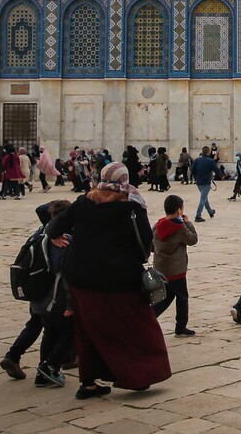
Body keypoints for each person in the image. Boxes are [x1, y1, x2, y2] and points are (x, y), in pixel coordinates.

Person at [44, 163, 171, 399]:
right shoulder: (131, 208)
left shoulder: (83, 202)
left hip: (80, 280)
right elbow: (144, 247)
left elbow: (53, 226)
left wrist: (55, 238)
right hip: (119, 281)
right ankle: (138, 376)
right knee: (138, 327)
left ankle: (88, 384)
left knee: (87, 330)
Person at [1, 199, 74, 387]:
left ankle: (40, 369)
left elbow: (41, 209)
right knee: (68, 331)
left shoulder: (41, 233)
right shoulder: (64, 240)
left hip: (38, 294)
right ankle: (49, 366)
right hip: (56, 297)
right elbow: (66, 274)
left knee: (46, 330)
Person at [152, 194, 198, 337]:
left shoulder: (158, 225)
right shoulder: (179, 227)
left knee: (164, 298)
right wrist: (188, 223)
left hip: (161, 269)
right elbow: (192, 239)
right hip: (176, 271)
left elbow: (152, 245)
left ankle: (148, 318)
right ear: (179, 210)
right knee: (182, 298)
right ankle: (180, 328)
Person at [191, 147, 218, 222]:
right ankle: (198, 215)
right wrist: (222, 175)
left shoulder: (197, 160)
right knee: (203, 199)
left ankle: (210, 211)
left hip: (199, 182)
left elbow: (192, 170)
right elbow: (216, 169)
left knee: (204, 197)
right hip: (206, 183)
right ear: (208, 152)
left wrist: (196, 177)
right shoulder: (210, 161)